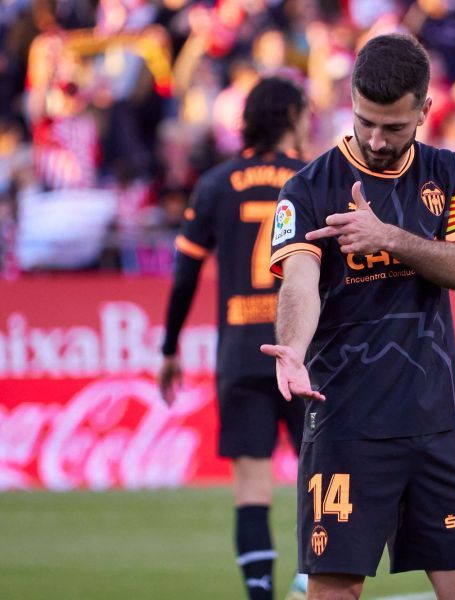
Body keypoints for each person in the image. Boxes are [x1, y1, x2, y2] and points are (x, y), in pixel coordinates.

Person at [261, 34, 455, 600]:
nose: (376, 138)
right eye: (365, 121)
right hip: (346, 423)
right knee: (335, 591)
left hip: (434, 418)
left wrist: (385, 237)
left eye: (393, 127)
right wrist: (292, 349)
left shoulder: (445, 172)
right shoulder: (308, 187)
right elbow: (298, 282)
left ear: (424, 110)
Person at [158, 76, 311, 600]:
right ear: (291, 115)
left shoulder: (216, 182)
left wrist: (169, 348)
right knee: (325, 477)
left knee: (251, 487)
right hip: (304, 351)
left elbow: (183, 277)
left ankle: (263, 594)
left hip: (242, 352)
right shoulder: (310, 177)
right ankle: (311, 580)